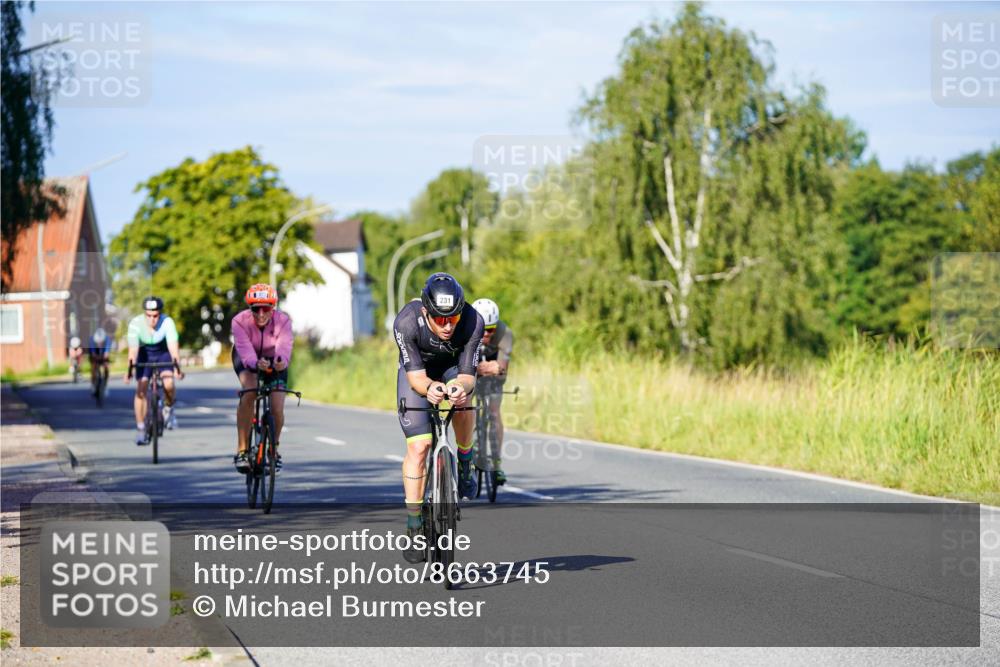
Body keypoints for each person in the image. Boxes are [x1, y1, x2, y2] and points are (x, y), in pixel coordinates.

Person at [393, 272, 484, 563]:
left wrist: (459, 388)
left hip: (453, 367)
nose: (447, 326)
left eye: (452, 319)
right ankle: (414, 522)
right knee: (419, 447)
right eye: (440, 319)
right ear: (425, 311)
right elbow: (417, 377)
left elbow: (469, 375)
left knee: (464, 399)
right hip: (417, 373)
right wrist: (430, 388)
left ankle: (466, 461)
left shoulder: (472, 321)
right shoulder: (406, 322)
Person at [231, 283, 293, 475]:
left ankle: (273, 451)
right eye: (255, 309)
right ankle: (242, 450)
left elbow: (284, 345)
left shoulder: (283, 320)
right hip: (246, 359)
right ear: (250, 308)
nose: (260, 313)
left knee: (277, 406)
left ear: (273, 308)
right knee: (249, 392)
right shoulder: (239, 321)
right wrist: (255, 363)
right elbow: (245, 349)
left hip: (274, 361)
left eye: (266, 308)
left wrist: (281, 361)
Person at [124, 296, 184, 444]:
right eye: (149, 315)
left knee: (169, 384)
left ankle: (168, 409)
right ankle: (140, 428)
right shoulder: (136, 324)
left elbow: (173, 348)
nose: (152, 319)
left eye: (156, 315)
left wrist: (177, 368)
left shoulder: (167, 322)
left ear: (160, 314)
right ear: (144, 314)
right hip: (144, 354)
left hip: (162, 353)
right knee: (141, 388)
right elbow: (133, 351)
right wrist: (129, 371)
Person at [471, 298, 514, 486]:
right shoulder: (466, 331)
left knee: (495, 412)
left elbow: (502, 368)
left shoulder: (505, 333)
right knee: (464, 406)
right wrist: (481, 368)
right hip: (471, 372)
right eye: (483, 329)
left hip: (494, 378)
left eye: (491, 329)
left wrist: (491, 368)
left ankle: (496, 464)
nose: (487, 333)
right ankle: (466, 450)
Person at [87, 327, 113, 397]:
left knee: (106, 367)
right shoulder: (92, 340)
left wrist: (105, 357)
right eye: (98, 343)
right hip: (95, 353)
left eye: (101, 343)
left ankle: (105, 385)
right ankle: (93, 384)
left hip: (103, 353)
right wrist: (96, 358)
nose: (99, 344)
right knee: (93, 366)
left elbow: (106, 353)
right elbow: (93, 354)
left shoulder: (107, 340)